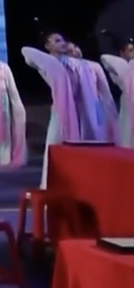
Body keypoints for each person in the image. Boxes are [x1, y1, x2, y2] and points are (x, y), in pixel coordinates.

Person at [23, 32, 86, 187]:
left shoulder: (71, 62)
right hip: (61, 109)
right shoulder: (48, 64)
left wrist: (76, 57)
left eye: (63, 40)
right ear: (47, 46)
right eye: (57, 41)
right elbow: (26, 52)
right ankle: (50, 183)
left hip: (80, 109)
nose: (62, 43)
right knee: (56, 143)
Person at [69, 43, 119, 142]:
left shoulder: (94, 65)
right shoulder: (70, 67)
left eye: (75, 47)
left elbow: (104, 89)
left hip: (96, 104)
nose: (75, 51)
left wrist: (109, 108)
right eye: (70, 51)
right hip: (78, 105)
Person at [99, 31, 133, 148]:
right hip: (129, 104)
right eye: (131, 50)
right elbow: (105, 58)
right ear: (122, 54)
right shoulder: (123, 69)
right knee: (128, 137)